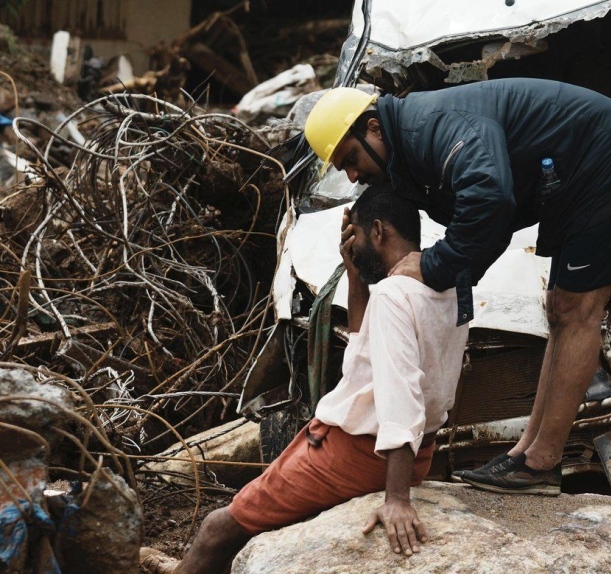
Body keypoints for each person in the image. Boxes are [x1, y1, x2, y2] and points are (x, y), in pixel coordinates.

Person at [303, 78, 611, 496]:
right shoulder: (408, 150)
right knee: (558, 310)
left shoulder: (429, 128)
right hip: (575, 176)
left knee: (578, 310)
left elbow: (490, 198)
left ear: (374, 128)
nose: (354, 174)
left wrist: (436, 265)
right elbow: (490, 222)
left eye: (351, 158)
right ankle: (525, 454)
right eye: (343, 170)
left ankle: (541, 463)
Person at [170, 184, 469, 572]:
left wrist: (396, 498)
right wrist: (355, 274)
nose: (353, 245)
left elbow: (400, 397)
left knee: (217, 528)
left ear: (378, 231)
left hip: (358, 452)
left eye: (357, 235)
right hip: (413, 453)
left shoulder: (394, 294)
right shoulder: (450, 284)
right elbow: (368, 354)